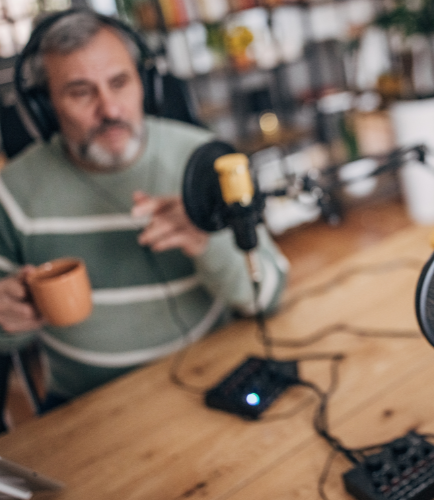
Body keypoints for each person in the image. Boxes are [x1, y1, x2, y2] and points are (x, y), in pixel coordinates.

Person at [0, 10, 288, 409]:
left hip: (215, 386)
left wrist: (209, 243)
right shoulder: (10, 193)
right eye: (81, 92)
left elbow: (269, 294)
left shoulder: (202, 158)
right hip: (85, 408)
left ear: (146, 84)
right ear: (45, 105)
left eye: (119, 83)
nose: (110, 110)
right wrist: (6, 320)